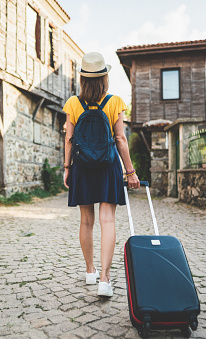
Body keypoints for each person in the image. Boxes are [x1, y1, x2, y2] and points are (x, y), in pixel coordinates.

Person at [63, 52, 140, 297]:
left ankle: (90, 271)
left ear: (83, 79)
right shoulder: (115, 102)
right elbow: (120, 139)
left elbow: (68, 139)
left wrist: (67, 168)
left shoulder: (73, 103)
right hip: (108, 167)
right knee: (108, 221)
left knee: (86, 221)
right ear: (104, 78)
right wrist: (130, 172)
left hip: (82, 168)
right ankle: (105, 280)